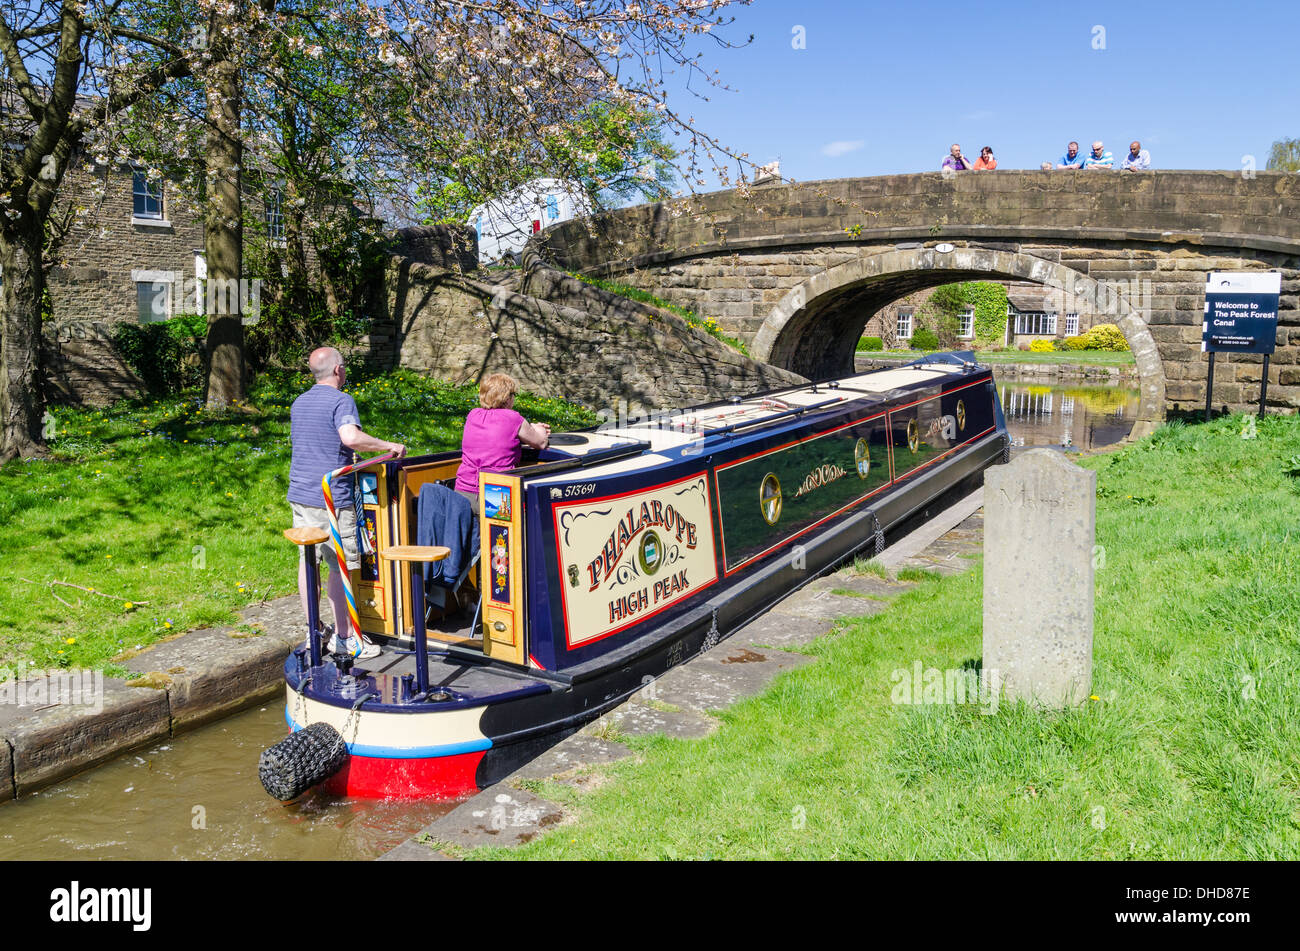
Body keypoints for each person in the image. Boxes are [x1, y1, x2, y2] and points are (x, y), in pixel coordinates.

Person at [288, 347, 406, 659]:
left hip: (300, 493)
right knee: (338, 565)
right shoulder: (341, 400)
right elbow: (350, 437)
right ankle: (345, 637)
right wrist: (387, 446)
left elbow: (317, 442)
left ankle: (313, 630)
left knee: (308, 560)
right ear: (339, 370)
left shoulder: (299, 402)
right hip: (331, 497)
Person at [454, 372, 551, 507]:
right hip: (496, 492)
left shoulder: (473, 414)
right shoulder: (513, 418)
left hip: (462, 491)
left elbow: (495, 437)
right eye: (513, 395)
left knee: (473, 528)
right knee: (501, 528)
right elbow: (540, 442)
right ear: (506, 398)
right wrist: (539, 429)